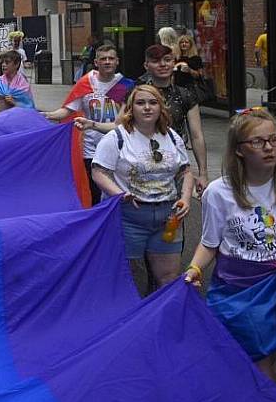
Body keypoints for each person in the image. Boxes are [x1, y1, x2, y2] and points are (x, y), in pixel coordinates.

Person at [184, 108, 276, 382]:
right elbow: (209, 243)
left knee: (262, 365)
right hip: (235, 289)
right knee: (239, 362)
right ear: (239, 150)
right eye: (258, 141)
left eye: (274, 139)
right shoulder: (219, 192)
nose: (269, 147)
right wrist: (194, 268)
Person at [92, 84, 194, 293]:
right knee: (131, 281)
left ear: (160, 107)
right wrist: (119, 193)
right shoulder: (117, 138)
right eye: (141, 103)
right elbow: (98, 171)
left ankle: (162, 322)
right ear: (131, 108)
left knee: (168, 279)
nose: (147, 108)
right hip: (130, 216)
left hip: (168, 218)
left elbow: (185, 171)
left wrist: (186, 198)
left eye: (153, 102)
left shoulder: (172, 137)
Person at [43, 44, 135, 205]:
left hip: (119, 148)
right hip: (92, 150)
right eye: (103, 59)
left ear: (117, 62)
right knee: (95, 194)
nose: (107, 62)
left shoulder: (125, 85)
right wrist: (45, 115)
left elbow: (120, 123)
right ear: (96, 62)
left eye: (111, 58)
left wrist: (92, 124)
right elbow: (66, 111)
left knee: (118, 193)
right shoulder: (86, 83)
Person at [138, 44, 209, 192]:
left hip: (175, 164)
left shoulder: (185, 95)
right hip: (141, 163)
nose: (163, 64)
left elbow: (197, 136)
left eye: (167, 59)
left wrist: (203, 174)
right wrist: (93, 125)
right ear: (146, 65)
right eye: (156, 61)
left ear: (174, 63)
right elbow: (120, 125)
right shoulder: (137, 94)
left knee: (176, 210)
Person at [0, 50, 35, 115]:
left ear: (17, 64)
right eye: (2, 63)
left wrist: (15, 103)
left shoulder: (23, 86)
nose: (3, 65)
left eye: (7, 62)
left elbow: (30, 109)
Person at [173, 33, 206, 100]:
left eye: (186, 42)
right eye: (181, 42)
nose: (184, 44)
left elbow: (200, 75)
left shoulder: (196, 58)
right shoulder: (176, 58)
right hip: (177, 87)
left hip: (191, 88)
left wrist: (190, 70)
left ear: (190, 44)